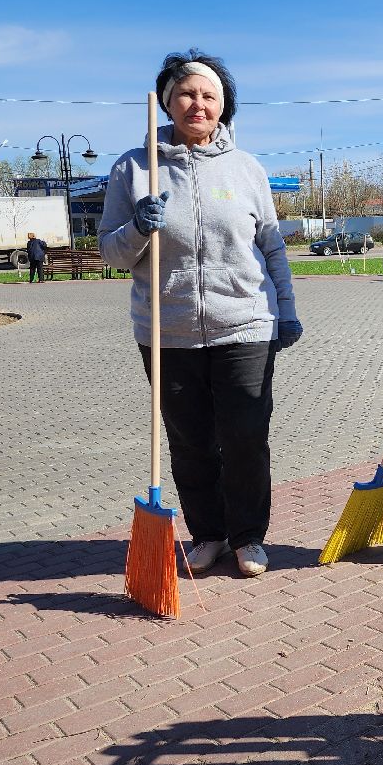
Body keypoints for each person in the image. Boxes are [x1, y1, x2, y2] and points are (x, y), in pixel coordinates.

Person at [99, 50, 302, 578]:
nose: (198, 103)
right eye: (187, 93)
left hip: (245, 322)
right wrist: (139, 227)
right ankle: (208, 533)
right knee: (190, 440)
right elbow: (114, 255)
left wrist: (287, 309)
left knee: (245, 436)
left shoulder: (247, 168)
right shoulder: (133, 167)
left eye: (209, 95)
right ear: (166, 102)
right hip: (167, 329)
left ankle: (248, 536)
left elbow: (273, 249)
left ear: (224, 106)